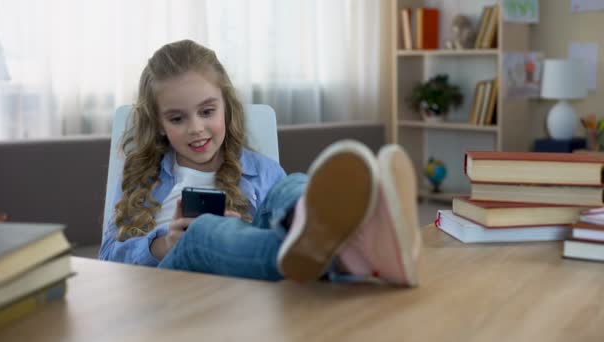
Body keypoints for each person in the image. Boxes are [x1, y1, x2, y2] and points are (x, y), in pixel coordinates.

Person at [99, 39, 421, 286]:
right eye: (177, 118)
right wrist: (164, 245)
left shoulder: (258, 169)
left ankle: (351, 238)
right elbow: (107, 258)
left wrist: (240, 231)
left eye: (207, 112)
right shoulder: (142, 177)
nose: (196, 128)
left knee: (291, 185)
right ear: (158, 123)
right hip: (174, 288)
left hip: (243, 291)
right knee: (204, 232)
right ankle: (346, 256)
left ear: (226, 107)